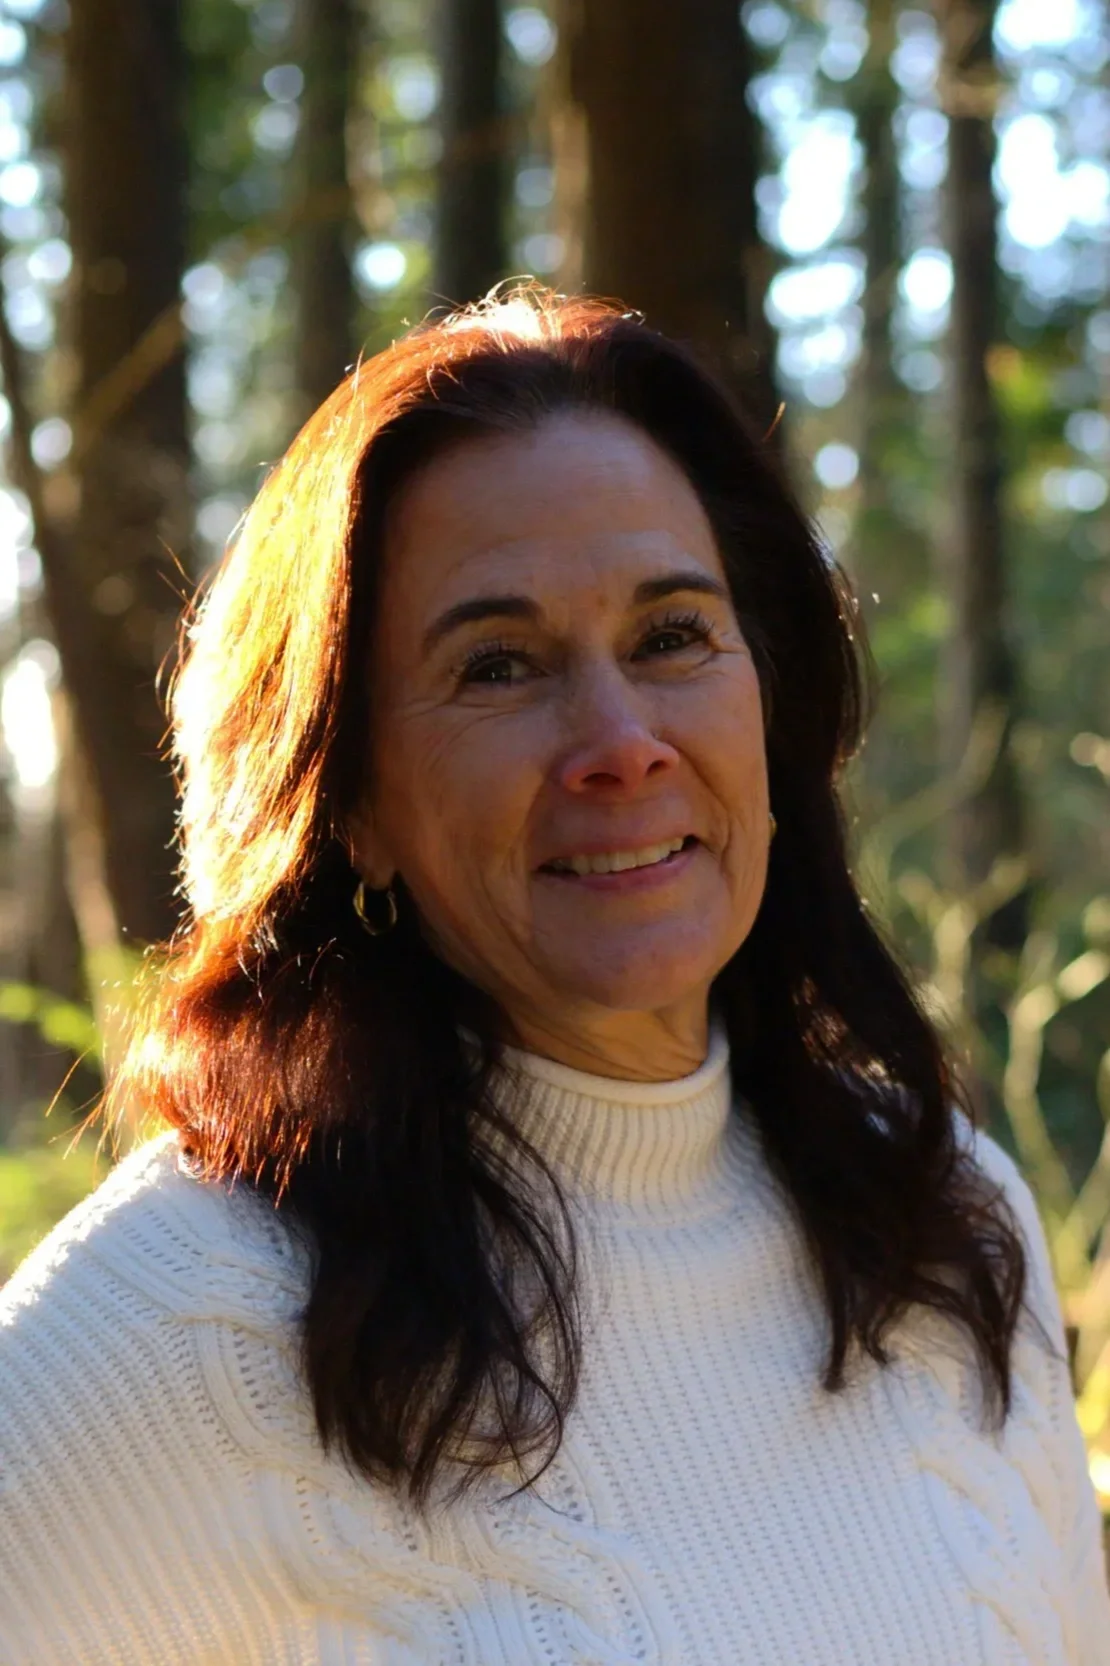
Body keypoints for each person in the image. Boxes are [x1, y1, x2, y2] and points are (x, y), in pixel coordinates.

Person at [1, 288, 1107, 1665]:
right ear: (349, 803)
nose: (619, 740)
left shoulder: (944, 1222)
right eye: (498, 664)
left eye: (669, 637)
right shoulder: (197, 1310)